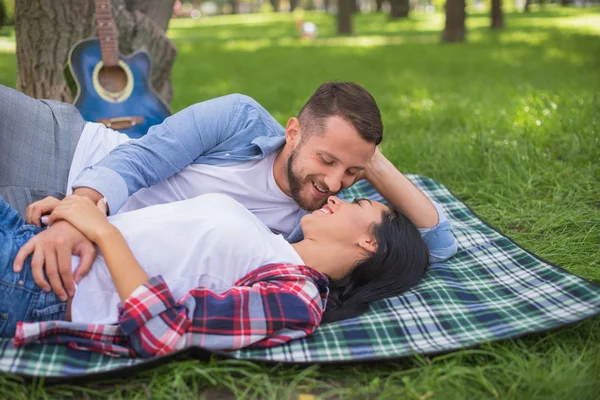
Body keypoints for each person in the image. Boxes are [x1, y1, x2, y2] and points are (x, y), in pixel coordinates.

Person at [0, 82, 457, 304]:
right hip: (68, 155)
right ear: (293, 132)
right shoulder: (240, 119)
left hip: (59, 226)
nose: (335, 184)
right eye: (327, 160)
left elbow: (437, 243)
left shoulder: (306, 228)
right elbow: (140, 160)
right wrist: (76, 212)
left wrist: (366, 155)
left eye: (352, 174)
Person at [1, 189, 429, 357]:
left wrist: (101, 230)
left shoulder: (299, 298)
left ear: (370, 244)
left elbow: (162, 329)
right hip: (37, 238)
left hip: (37, 282)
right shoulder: (274, 238)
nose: (337, 196)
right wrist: (73, 219)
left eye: (359, 205)